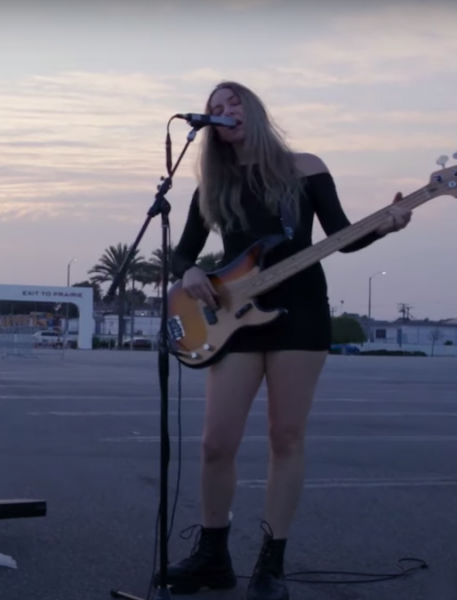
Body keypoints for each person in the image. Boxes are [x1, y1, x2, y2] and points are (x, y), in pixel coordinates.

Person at [159, 82, 412, 600]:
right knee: (215, 443)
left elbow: (342, 236)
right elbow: (183, 252)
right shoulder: (214, 184)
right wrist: (189, 273)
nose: (224, 113)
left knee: (286, 436)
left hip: (300, 314)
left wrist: (386, 226)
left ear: (253, 110)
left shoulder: (305, 168)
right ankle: (212, 555)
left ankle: (271, 564)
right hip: (233, 316)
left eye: (233, 103)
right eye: (214, 109)